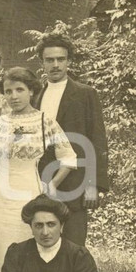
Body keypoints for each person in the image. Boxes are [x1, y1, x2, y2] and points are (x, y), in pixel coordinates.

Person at [0, 67, 77, 272]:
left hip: (28, 189)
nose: (13, 96)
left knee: (28, 249)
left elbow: (69, 158)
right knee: (0, 251)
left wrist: (51, 186)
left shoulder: (44, 120)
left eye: (19, 90)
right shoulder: (0, 121)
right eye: (8, 91)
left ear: (32, 91)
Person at [33, 33, 109, 246]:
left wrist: (93, 184)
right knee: (42, 241)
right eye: (49, 60)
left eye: (61, 59)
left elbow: (97, 139)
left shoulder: (85, 94)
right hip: (40, 181)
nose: (55, 65)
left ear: (69, 61)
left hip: (75, 181)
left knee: (73, 244)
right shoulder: (35, 95)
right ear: (42, 62)